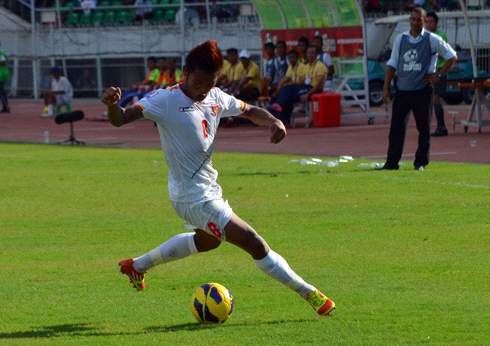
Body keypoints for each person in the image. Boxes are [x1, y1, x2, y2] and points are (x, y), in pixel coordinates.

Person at [102, 39, 335, 316]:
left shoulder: (215, 96)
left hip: (207, 190)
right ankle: (310, 294)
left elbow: (249, 110)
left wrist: (274, 121)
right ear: (186, 74)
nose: (203, 90)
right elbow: (121, 118)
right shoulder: (164, 100)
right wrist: (112, 106)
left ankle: (136, 266)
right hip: (192, 197)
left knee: (207, 241)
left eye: (210, 83)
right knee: (253, 241)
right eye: (199, 82)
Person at [381, 7, 456, 170]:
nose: (415, 22)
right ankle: (391, 163)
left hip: (422, 91)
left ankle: (420, 162)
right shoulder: (400, 39)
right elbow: (392, 63)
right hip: (402, 90)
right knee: (396, 129)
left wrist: (438, 75)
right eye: (412, 19)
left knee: (423, 129)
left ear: (424, 21)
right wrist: (386, 87)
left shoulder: (432, 39)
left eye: (418, 20)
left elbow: (452, 57)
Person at [268, 46, 327, 126]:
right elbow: (300, 81)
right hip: (305, 88)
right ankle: (283, 119)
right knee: (287, 93)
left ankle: (277, 105)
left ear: (316, 54)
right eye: (309, 53)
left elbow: (318, 85)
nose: (310, 55)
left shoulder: (320, 66)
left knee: (289, 91)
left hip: (313, 89)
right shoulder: (307, 66)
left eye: (312, 53)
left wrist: (308, 94)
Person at [425, 11, 450, 137]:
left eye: (431, 22)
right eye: (427, 22)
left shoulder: (441, 35)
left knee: (436, 99)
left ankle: (441, 127)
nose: (429, 24)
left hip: (439, 70)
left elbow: (444, 53)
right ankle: (440, 126)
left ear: (436, 23)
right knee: (431, 100)